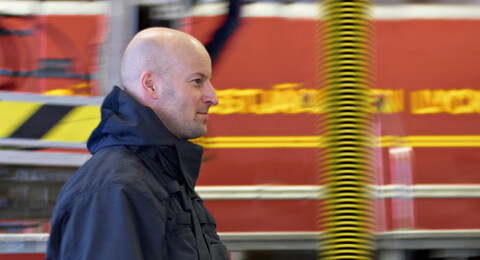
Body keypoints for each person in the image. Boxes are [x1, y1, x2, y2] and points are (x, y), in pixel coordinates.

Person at [46, 27, 230, 260]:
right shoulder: (116, 189)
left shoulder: (162, 175)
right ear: (151, 85)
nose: (213, 97)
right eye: (197, 81)